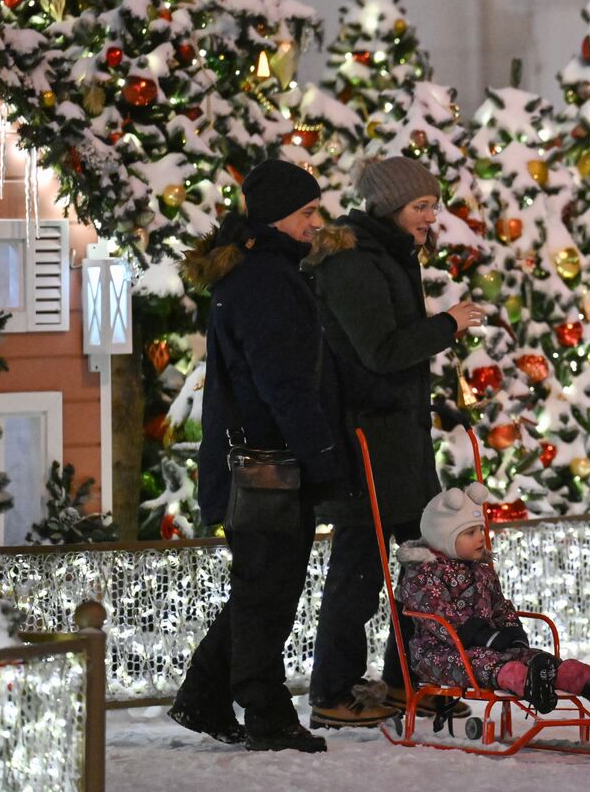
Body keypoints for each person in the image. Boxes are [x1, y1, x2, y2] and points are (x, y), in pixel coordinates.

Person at [304, 155, 488, 729]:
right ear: (388, 207)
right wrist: (447, 326)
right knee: (360, 572)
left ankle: (411, 679)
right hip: (367, 447)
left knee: (422, 567)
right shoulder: (354, 262)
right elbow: (379, 351)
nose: (431, 217)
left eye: (433, 205)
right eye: (421, 206)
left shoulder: (386, 255)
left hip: (397, 443)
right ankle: (333, 691)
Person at [169, 159, 344, 754]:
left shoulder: (255, 273)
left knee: (257, 588)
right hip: (268, 465)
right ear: (277, 217)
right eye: (307, 214)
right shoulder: (268, 282)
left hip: (254, 462)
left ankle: (204, 696)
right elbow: (282, 384)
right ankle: (266, 713)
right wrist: (322, 454)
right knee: (268, 593)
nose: (314, 225)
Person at [396, 483, 590, 712]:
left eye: (481, 530)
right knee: (485, 661)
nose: (480, 537)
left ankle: (589, 681)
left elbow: (499, 606)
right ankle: (527, 683)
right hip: (438, 654)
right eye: (470, 533)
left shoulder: (481, 569)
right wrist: (485, 636)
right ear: (443, 538)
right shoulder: (423, 574)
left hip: (489, 644)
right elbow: (441, 618)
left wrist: (513, 634)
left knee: (535, 658)